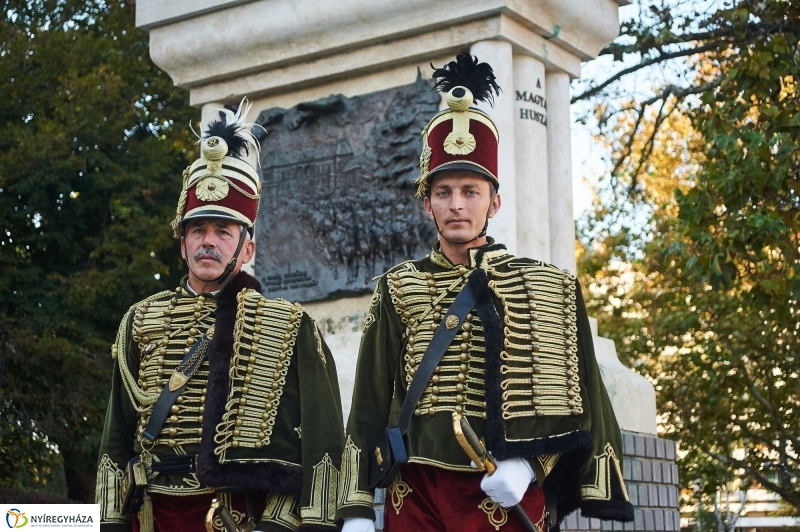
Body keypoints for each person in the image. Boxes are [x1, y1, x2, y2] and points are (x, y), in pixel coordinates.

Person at [336, 54, 634, 532]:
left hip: (502, 488)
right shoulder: (397, 286)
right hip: (413, 492)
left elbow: (581, 407)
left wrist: (532, 467)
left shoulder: (549, 287)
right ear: (427, 202)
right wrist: (353, 508)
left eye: (471, 191)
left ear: (494, 200)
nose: (457, 204)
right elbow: (368, 403)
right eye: (444, 191)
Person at [96, 100, 344, 532]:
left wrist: (284, 525)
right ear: (182, 243)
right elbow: (116, 436)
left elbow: (322, 440)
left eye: (223, 232)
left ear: (247, 248)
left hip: (237, 517)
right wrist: (111, 522)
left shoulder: (288, 324)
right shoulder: (139, 319)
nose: (207, 242)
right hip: (152, 514)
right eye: (198, 230)